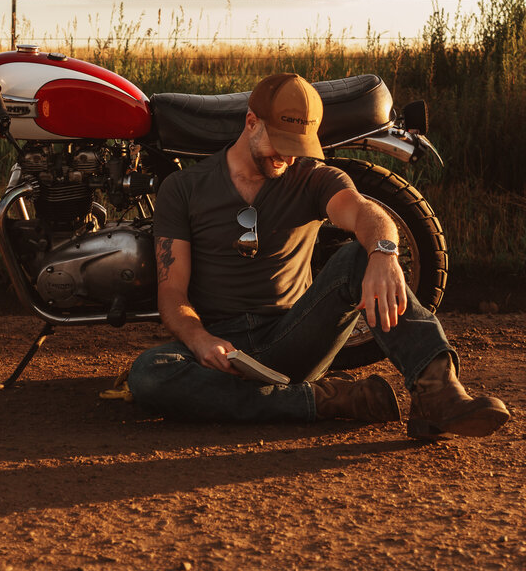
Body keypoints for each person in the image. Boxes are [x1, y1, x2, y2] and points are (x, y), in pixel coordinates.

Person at [128, 73, 510, 439]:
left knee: (359, 257)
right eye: (280, 142)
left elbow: (366, 213)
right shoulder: (184, 188)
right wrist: (199, 341)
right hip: (220, 348)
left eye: (298, 147)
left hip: (294, 337)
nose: (289, 157)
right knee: (149, 374)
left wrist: (384, 253)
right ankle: (331, 399)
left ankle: (437, 392)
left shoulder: (313, 176)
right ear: (250, 122)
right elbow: (172, 294)